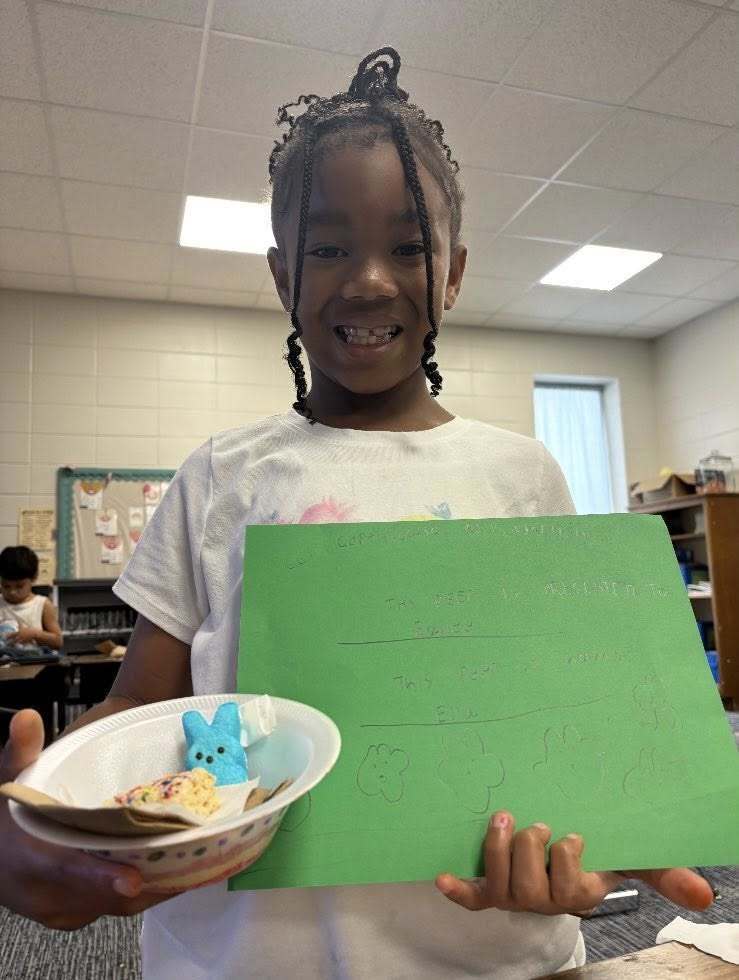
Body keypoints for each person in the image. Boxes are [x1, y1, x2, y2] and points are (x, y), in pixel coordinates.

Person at [0, 48, 713, 980]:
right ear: (279, 272)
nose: (369, 279)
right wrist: (55, 804)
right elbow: (143, 700)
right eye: (328, 246)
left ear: (452, 273)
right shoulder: (221, 475)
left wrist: (595, 839)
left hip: (490, 952)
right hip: (244, 957)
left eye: (408, 247)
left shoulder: (520, 474)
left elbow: (568, 707)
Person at [0, 546, 62, 650]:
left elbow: (58, 641)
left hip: (34, 665)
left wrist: (35, 634)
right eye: (6, 586)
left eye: (19, 586)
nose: (12, 592)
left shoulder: (43, 605)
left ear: (34, 578)